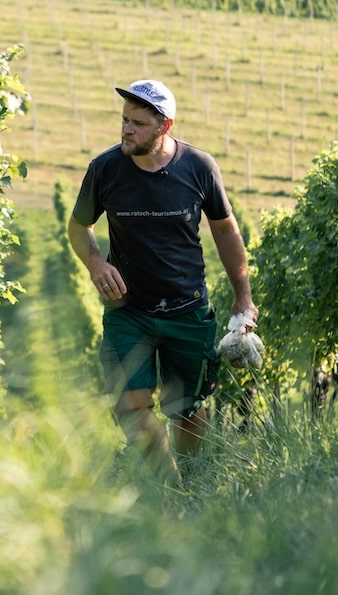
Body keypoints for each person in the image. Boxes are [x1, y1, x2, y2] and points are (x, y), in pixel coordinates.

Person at [68, 79, 258, 481]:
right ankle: (167, 482)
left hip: (188, 310)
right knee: (128, 406)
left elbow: (226, 231)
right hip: (128, 311)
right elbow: (78, 226)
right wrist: (96, 263)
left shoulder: (199, 167)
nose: (126, 130)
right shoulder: (105, 169)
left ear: (164, 127)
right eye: (124, 120)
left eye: (138, 124)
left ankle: (190, 480)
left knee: (187, 408)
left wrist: (243, 296)